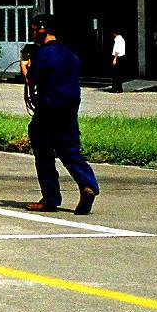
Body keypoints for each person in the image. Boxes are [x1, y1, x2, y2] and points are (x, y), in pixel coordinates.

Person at [24, 14, 99, 215]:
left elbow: (31, 80)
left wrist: (26, 68)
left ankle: (50, 199)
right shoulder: (70, 54)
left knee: (43, 153)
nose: (33, 34)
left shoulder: (42, 54)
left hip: (48, 108)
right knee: (70, 150)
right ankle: (87, 185)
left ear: (41, 30)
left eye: (34, 30)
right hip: (69, 108)